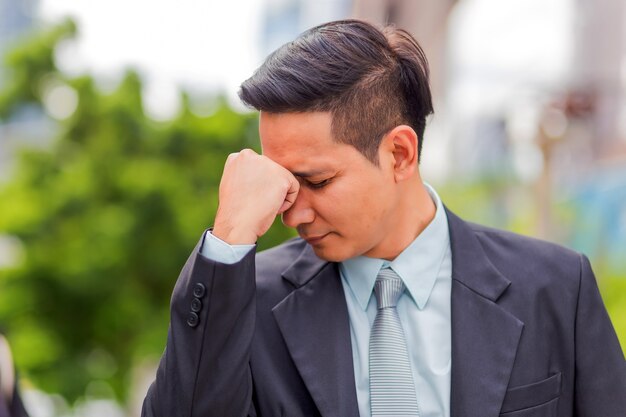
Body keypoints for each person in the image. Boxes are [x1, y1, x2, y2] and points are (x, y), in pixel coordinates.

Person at [142, 19, 626, 417]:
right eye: (283, 183)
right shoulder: (248, 301)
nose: (294, 214)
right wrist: (229, 237)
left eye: (317, 181)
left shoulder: (557, 288)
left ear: (399, 153)